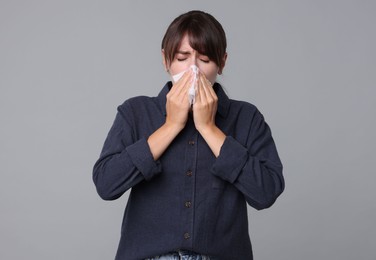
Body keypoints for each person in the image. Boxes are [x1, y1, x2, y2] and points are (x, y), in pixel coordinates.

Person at [93, 10, 284, 260]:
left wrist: (209, 128)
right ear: (166, 60)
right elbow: (106, 185)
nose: (193, 70)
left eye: (204, 60)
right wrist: (171, 125)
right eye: (183, 58)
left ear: (222, 62)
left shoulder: (246, 118)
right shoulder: (135, 112)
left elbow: (266, 192)